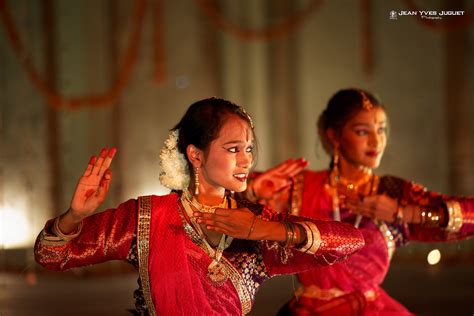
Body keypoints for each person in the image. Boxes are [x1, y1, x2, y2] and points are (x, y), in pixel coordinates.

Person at [34, 97, 365, 315]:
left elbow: (352, 242)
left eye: (250, 149)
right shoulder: (146, 218)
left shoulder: (256, 223)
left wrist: (267, 229)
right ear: (195, 155)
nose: (247, 159)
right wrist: (75, 215)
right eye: (234, 148)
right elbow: (52, 255)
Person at [245, 89, 474, 315]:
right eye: (363, 132)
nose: (377, 141)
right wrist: (252, 192)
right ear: (334, 136)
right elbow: (217, 209)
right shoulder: (300, 188)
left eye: (382, 130)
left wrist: (406, 213)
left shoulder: (392, 193)